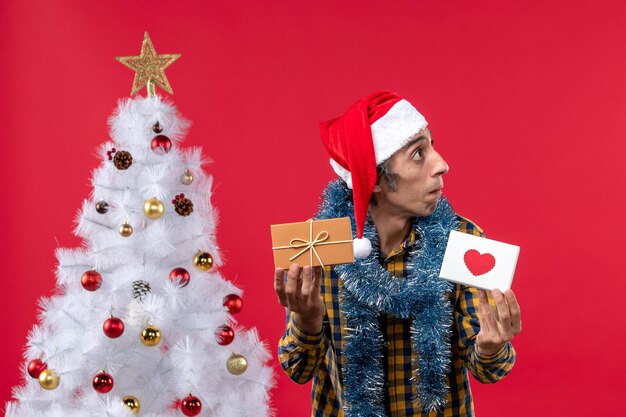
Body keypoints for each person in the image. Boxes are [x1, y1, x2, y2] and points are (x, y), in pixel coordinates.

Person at [274, 91, 521, 417]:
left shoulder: (463, 240)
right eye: (418, 154)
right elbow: (298, 369)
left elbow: (489, 370)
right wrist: (306, 321)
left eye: (432, 145)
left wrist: (490, 345)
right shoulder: (318, 246)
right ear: (373, 179)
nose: (442, 164)